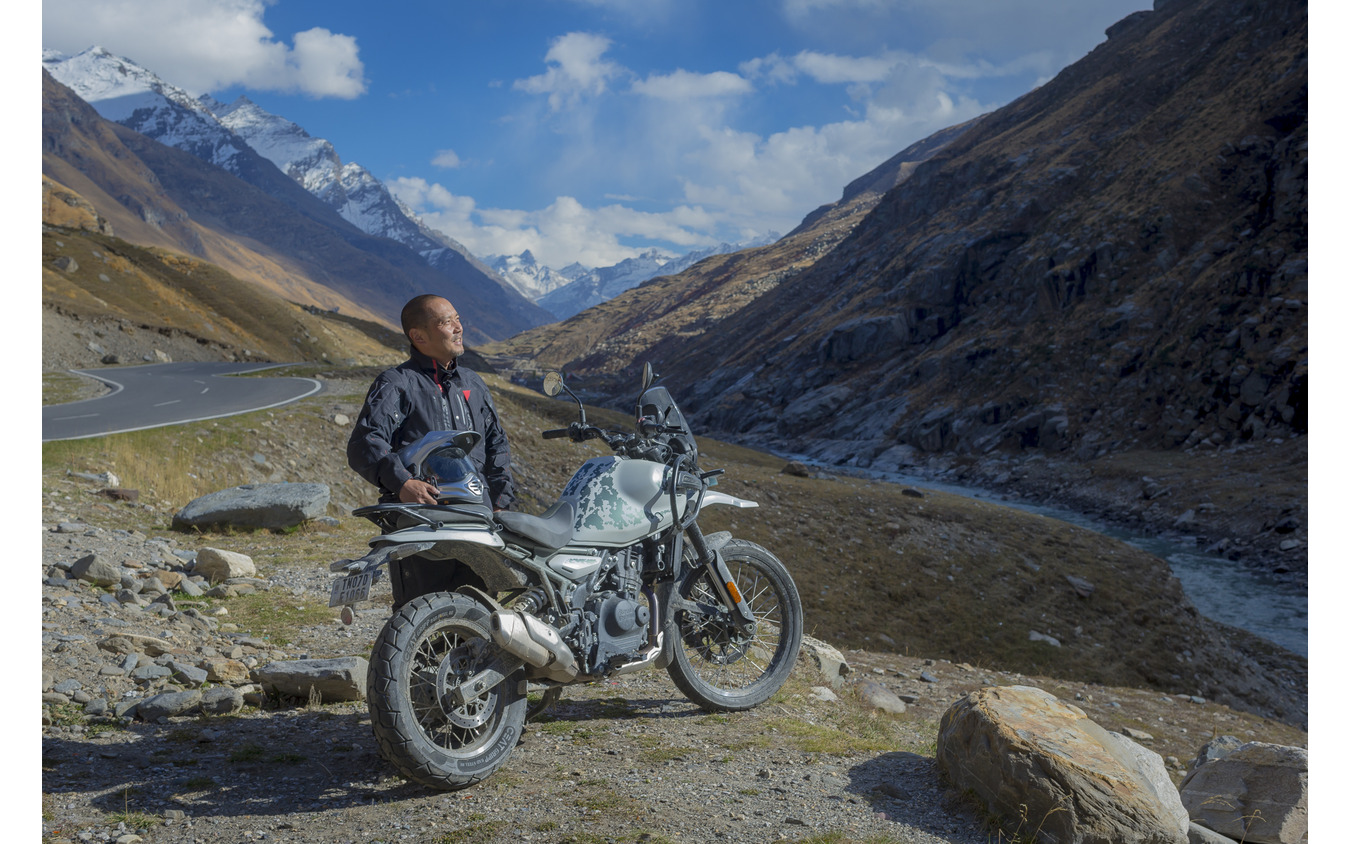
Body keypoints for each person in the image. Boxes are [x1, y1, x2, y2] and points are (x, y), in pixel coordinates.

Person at [347, 294, 517, 511]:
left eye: (457, 319)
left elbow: (497, 444)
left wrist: (501, 503)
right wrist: (402, 483)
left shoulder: (473, 383)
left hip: (479, 514)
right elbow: (364, 442)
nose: (458, 328)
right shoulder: (397, 383)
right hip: (423, 515)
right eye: (446, 322)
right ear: (418, 336)